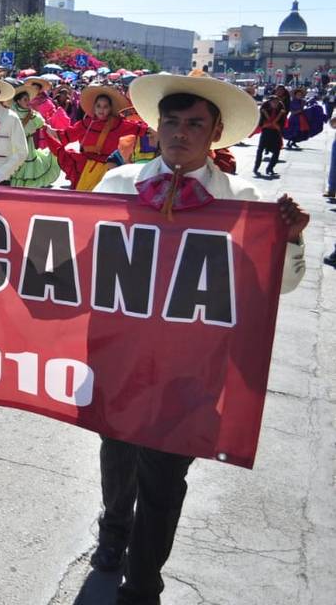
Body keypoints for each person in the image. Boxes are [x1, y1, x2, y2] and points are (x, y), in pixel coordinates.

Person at [90, 74, 308, 605]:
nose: (180, 133)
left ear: (214, 134)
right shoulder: (116, 186)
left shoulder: (245, 201)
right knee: (117, 452)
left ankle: (143, 582)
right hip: (121, 356)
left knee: (164, 477)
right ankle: (114, 528)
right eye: (171, 121)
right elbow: (75, 263)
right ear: (156, 126)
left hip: (192, 368)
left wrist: (291, 239)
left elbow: (278, 286)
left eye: (194, 124)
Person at [46, 85, 146, 191]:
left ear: (110, 108)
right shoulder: (86, 124)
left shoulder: (120, 124)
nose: (101, 110)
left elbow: (143, 129)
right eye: (98, 106)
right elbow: (65, 135)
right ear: (94, 107)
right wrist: (48, 129)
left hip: (111, 171)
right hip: (88, 170)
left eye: (105, 106)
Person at [9, 83, 60, 188]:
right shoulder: (11, 113)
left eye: (28, 99)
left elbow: (43, 125)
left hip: (28, 144)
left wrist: (56, 134)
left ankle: (26, 184)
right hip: (14, 145)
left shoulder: (32, 114)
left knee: (28, 163)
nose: (28, 102)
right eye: (25, 100)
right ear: (18, 101)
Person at [253, 88, 286, 177]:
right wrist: (268, 124)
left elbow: (281, 124)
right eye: (273, 102)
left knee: (277, 151)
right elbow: (262, 123)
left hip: (275, 133)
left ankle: (270, 168)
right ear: (270, 102)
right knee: (260, 150)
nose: (275, 104)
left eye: (276, 102)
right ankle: (256, 167)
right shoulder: (264, 109)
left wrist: (275, 124)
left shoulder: (281, 110)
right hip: (266, 132)